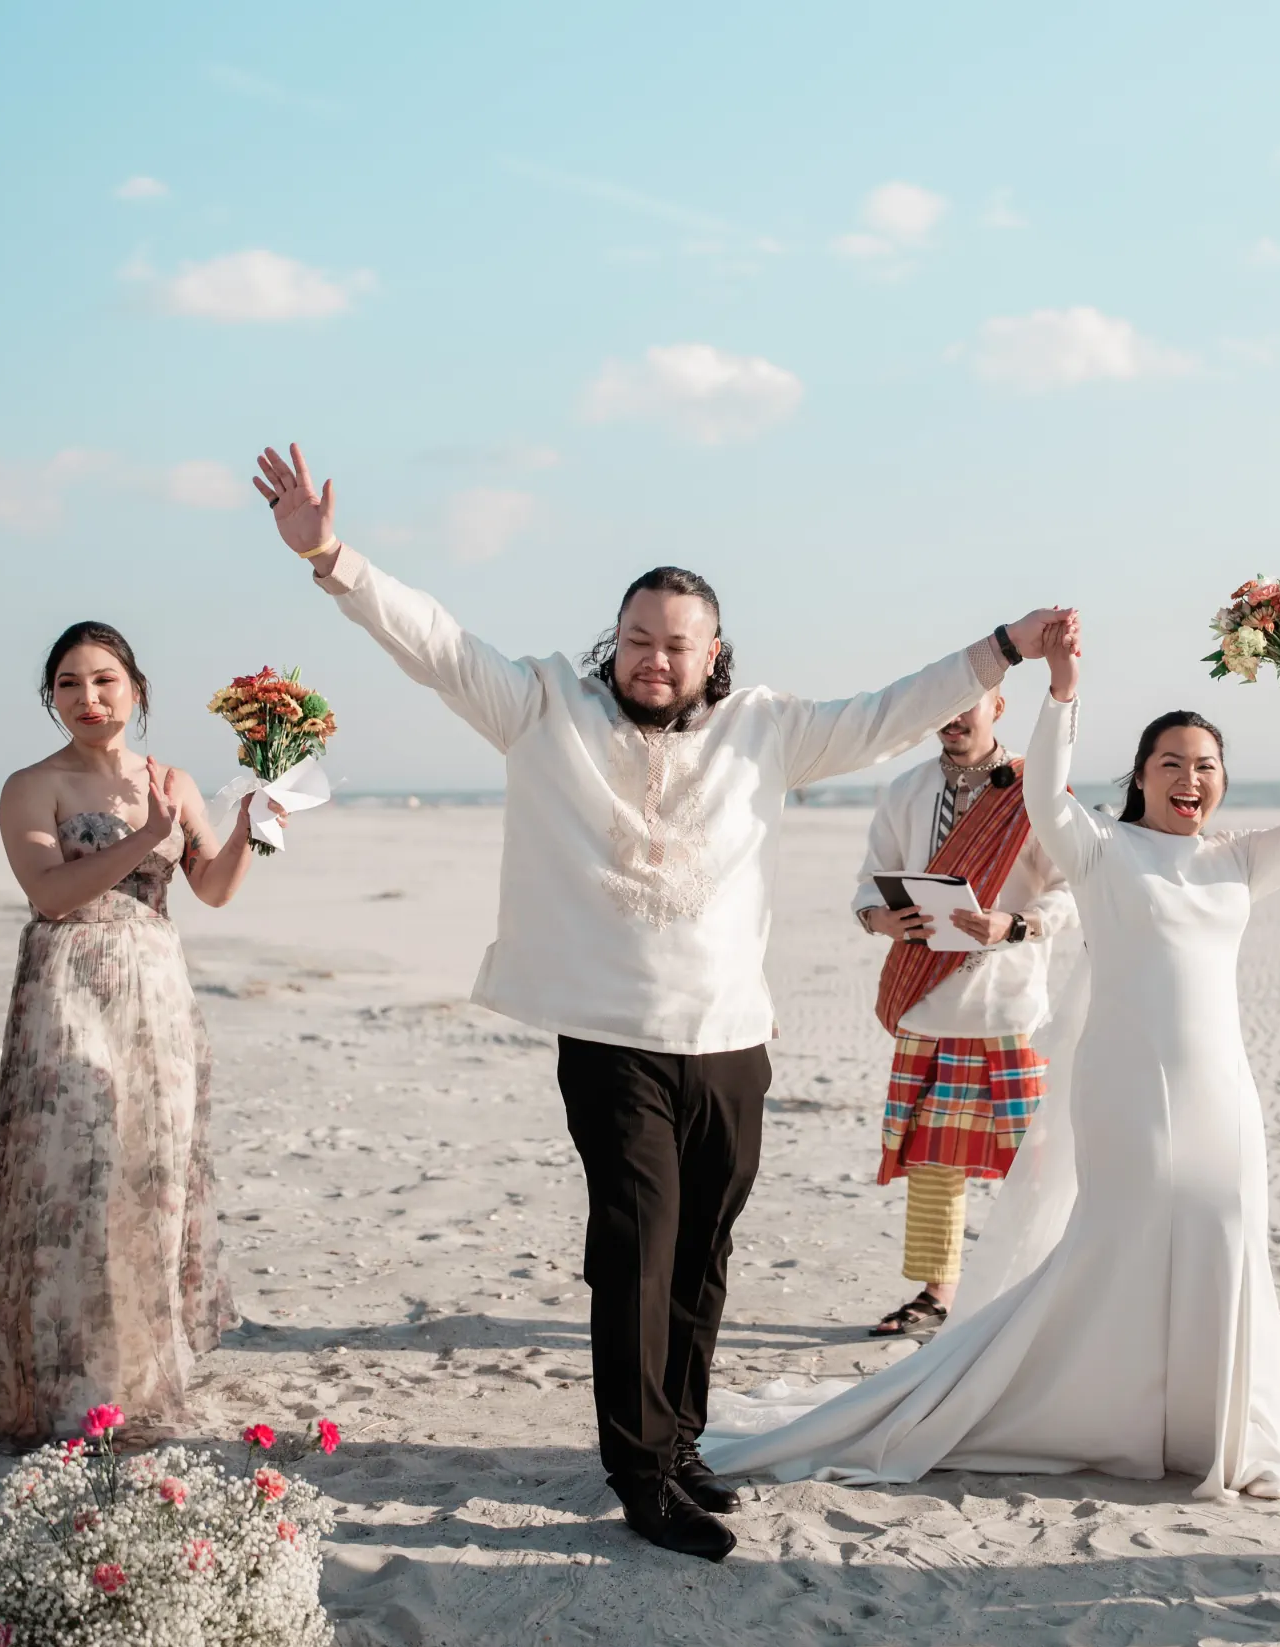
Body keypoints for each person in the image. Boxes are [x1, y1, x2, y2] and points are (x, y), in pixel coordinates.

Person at [248, 442, 1073, 1560]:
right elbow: (436, 645)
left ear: (712, 653)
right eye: (637, 639)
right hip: (610, 1037)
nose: (654, 659)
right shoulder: (543, 706)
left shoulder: (768, 729)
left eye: (677, 644)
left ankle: (681, 1442)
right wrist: (333, 558)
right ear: (615, 640)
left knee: (705, 1251)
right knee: (636, 1243)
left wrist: (1009, 645)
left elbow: (891, 709)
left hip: (733, 1037)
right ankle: (638, 1472)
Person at [703, 619, 1280, 1500]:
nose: (1188, 778)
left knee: (1224, 1235)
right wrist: (1065, 690)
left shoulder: (1238, 862)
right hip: (1126, 1089)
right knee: (1122, 1241)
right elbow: (1044, 791)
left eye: (1204, 765)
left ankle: (1212, 1430)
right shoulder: (1101, 848)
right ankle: (1110, 1412)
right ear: (1141, 777)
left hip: (1225, 1098)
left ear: (1222, 780)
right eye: (1170, 763)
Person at [0, 623, 258, 1446]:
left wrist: (253, 827)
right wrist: (139, 837)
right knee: (69, 1176)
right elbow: (51, 894)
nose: (87, 699)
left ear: (136, 688)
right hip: (68, 986)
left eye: (103, 681)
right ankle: (60, 1378)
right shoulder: (33, 785)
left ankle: (134, 1370)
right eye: (67, 684)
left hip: (157, 990)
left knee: (150, 1177)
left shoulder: (175, 780)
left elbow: (216, 888)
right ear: (51, 697)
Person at [853, 687, 1074, 1337]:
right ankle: (935, 1293)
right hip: (928, 1000)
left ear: (998, 708)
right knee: (932, 1161)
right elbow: (870, 881)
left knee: (1032, 1161)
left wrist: (1014, 923)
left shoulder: (1035, 792)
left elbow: (1072, 890)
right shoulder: (904, 791)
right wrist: (881, 919)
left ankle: (1042, 1287)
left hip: (1010, 1007)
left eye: (967, 702)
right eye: (941, 702)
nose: (951, 714)